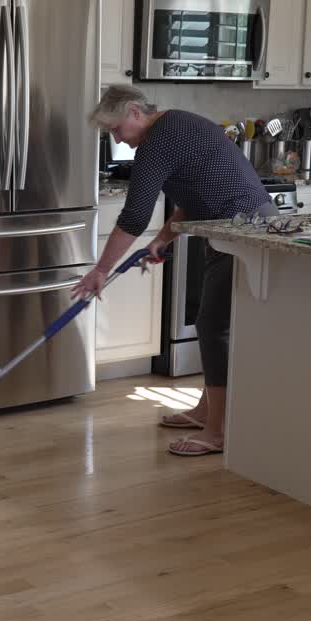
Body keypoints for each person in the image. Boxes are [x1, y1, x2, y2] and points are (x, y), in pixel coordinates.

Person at [73, 85, 276, 457]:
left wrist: (101, 270)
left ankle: (218, 433)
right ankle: (206, 412)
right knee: (212, 323)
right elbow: (194, 193)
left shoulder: (158, 141)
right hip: (234, 228)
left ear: (135, 111)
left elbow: (134, 216)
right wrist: (165, 238)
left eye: (116, 129)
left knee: (214, 327)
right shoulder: (179, 125)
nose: (118, 139)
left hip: (244, 232)